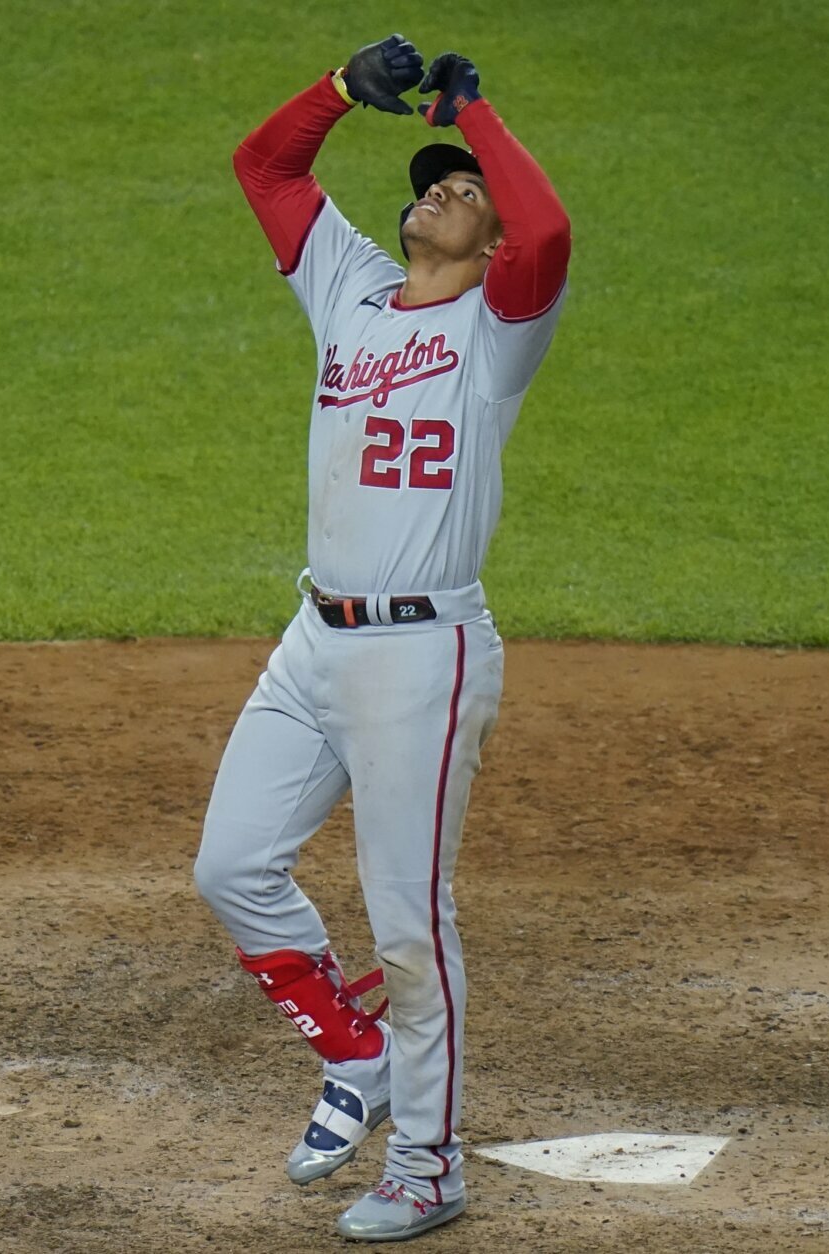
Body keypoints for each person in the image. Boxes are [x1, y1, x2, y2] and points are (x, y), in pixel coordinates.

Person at [193, 35, 571, 1243]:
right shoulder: (348, 282)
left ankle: (427, 1162)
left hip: (424, 658)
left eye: (462, 191)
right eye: (430, 179)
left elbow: (547, 235)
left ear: (485, 238)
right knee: (232, 865)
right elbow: (263, 169)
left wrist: (479, 114)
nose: (438, 192)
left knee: (409, 921)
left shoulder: (499, 329)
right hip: (312, 639)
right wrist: (337, 93)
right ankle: (354, 1056)